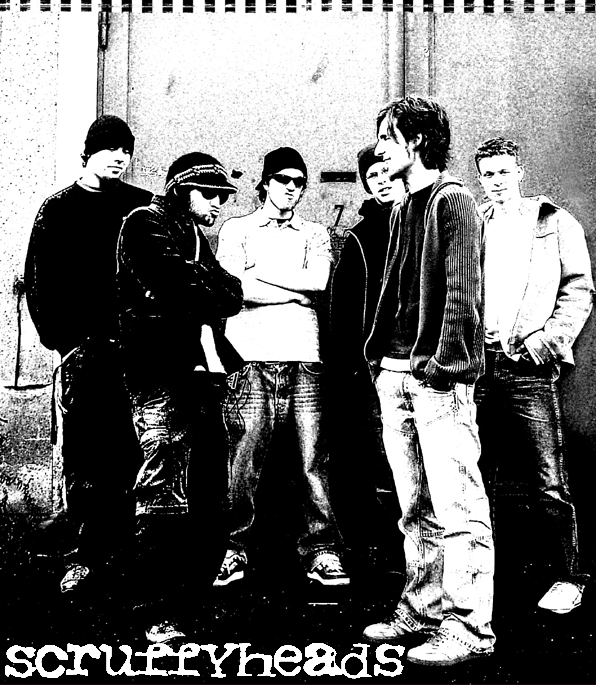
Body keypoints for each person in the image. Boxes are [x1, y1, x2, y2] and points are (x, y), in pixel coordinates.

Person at [362, 96, 495, 666]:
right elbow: (393, 291)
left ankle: (470, 628)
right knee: (415, 505)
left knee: (458, 506)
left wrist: (444, 367)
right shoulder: (401, 208)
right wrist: (380, 361)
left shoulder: (453, 201)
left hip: (436, 379)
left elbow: (464, 295)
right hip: (396, 373)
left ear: (416, 141)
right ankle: (422, 609)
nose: (380, 150)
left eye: (387, 138)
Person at [116, 152, 244, 644]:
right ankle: (156, 612)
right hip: (157, 373)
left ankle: (187, 601)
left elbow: (231, 293)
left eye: (221, 196)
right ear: (181, 189)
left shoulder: (190, 232)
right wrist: (202, 284)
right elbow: (179, 282)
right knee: (161, 486)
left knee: (207, 486)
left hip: (197, 375)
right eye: (209, 194)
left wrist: (202, 283)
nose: (217, 204)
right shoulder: (143, 222)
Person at [24, 115, 152, 594]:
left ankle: (129, 556)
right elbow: (39, 282)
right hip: (85, 354)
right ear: (88, 153)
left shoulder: (140, 206)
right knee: (85, 457)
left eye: (126, 151)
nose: (119, 158)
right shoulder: (58, 209)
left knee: (136, 453)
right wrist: (66, 342)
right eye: (110, 149)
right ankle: (85, 556)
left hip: (137, 352)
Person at [214, 146, 349, 588]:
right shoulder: (236, 229)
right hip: (249, 355)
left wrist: (260, 275)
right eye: (283, 180)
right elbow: (234, 288)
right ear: (265, 183)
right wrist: (294, 292)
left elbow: (320, 282)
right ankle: (234, 550)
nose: (292, 189)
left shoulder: (314, 233)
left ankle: (322, 550)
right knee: (244, 456)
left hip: (304, 356)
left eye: (299, 182)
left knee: (312, 458)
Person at [474, 137, 593, 614]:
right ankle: (481, 581)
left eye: (504, 172)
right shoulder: (475, 222)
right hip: (478, 366)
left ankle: (569, 576)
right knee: (476, 476)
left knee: (547, 477)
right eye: (488, 174)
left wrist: (544, 343)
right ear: (479, 178)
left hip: (527, 367)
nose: (496, 181)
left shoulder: (553, 221)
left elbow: (579, 289)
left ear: (520, 172)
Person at [328, 144, 403, 561]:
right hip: (377, 370)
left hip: (423, 366)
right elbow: (344, 309)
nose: (381, 181)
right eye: (372, 177)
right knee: (382, 459)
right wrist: (355, 367)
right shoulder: (361, 236)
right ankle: (386, 552)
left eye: (386, 173)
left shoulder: (426, 221)